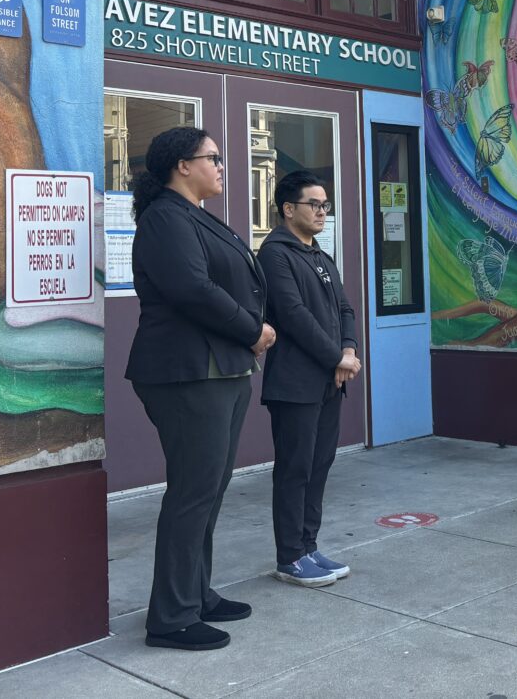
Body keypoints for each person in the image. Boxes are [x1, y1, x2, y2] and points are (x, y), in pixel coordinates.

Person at [126, 126, 275, 651]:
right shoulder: (165, 217)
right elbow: (192, 289)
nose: (221, 165)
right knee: (193, 492)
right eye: (212, 157)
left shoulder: (194, 216)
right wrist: (252, 330)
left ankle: (194, 592)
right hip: (188, 372)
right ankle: (171, 617)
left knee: (208, 490)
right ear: (182, 165)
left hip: (222, 370)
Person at [258, 170, 361, 587]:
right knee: (295, 468)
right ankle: (290, 556)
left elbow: (345, 309)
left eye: (325, 205)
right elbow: (293, 315)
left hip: (330, 380)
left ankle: (309, 546)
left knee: (319, 465)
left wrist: (348, 351)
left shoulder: (319, 255)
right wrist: (337, 357)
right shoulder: (275, 255)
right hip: (294, 383)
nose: (322, 212)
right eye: (314, 204)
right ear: (288, 209)